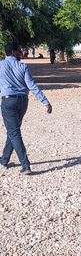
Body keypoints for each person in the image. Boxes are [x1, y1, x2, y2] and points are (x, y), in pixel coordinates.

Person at [0, 42, 52, 174]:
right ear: (13, 52)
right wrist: (45, 102)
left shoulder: (0, 65)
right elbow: (32, 86)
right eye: (19, 51)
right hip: (23, 102)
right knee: (14, 131)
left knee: (14, 132)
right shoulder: (23, 66)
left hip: (8, 102)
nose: (21, 53)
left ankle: (25, 165)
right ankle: (4, 160)